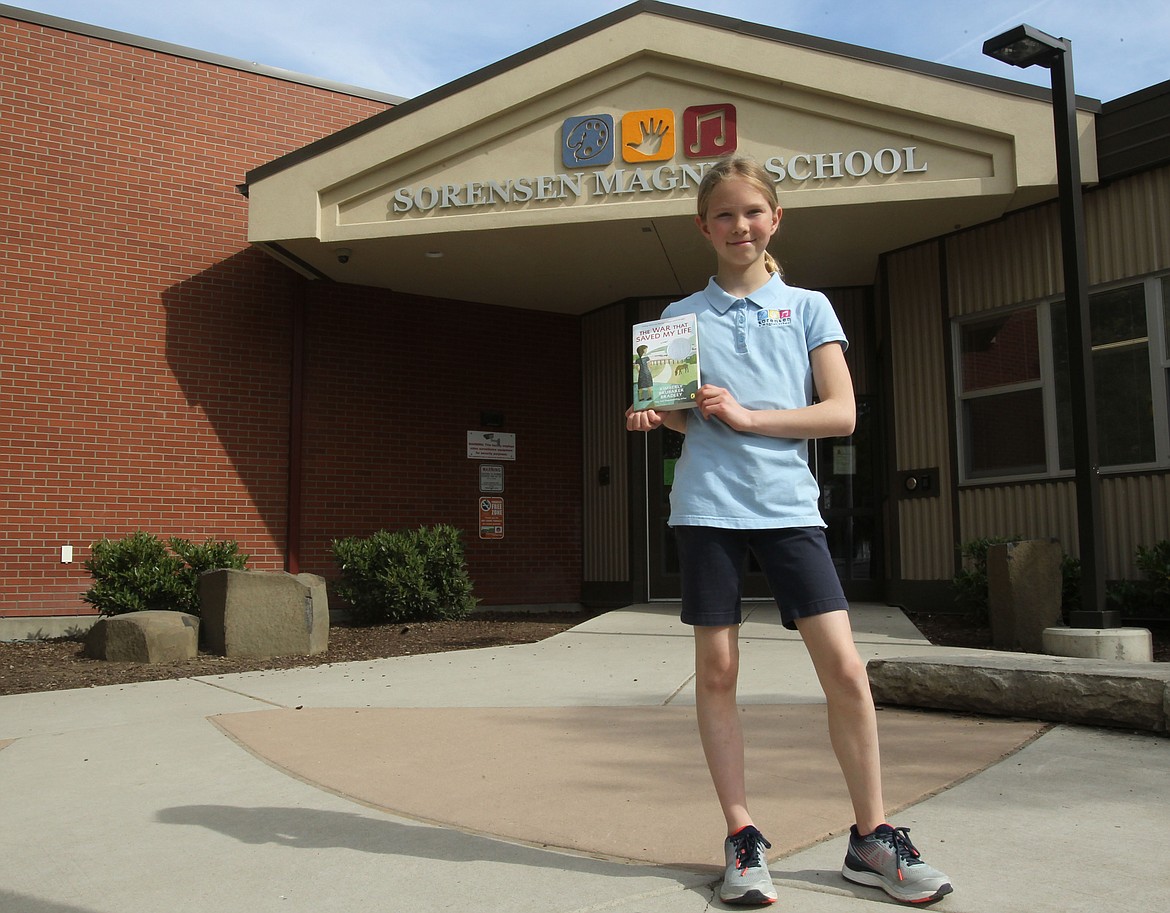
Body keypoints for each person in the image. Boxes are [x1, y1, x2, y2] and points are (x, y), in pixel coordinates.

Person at [625, 155, 953, 907]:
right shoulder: (680, 317)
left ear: (775, 218)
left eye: (752, 212)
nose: (739, 226)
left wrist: (749, 416)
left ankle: (872, 837)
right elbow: (681, 414)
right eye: (723, 215)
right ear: (701, 227)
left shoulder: (808, 307)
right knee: (717, 672)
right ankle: (742, 837)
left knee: (844, 669)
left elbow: (840, 413)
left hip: (789, 509)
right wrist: (659, 414)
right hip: (706, 508)